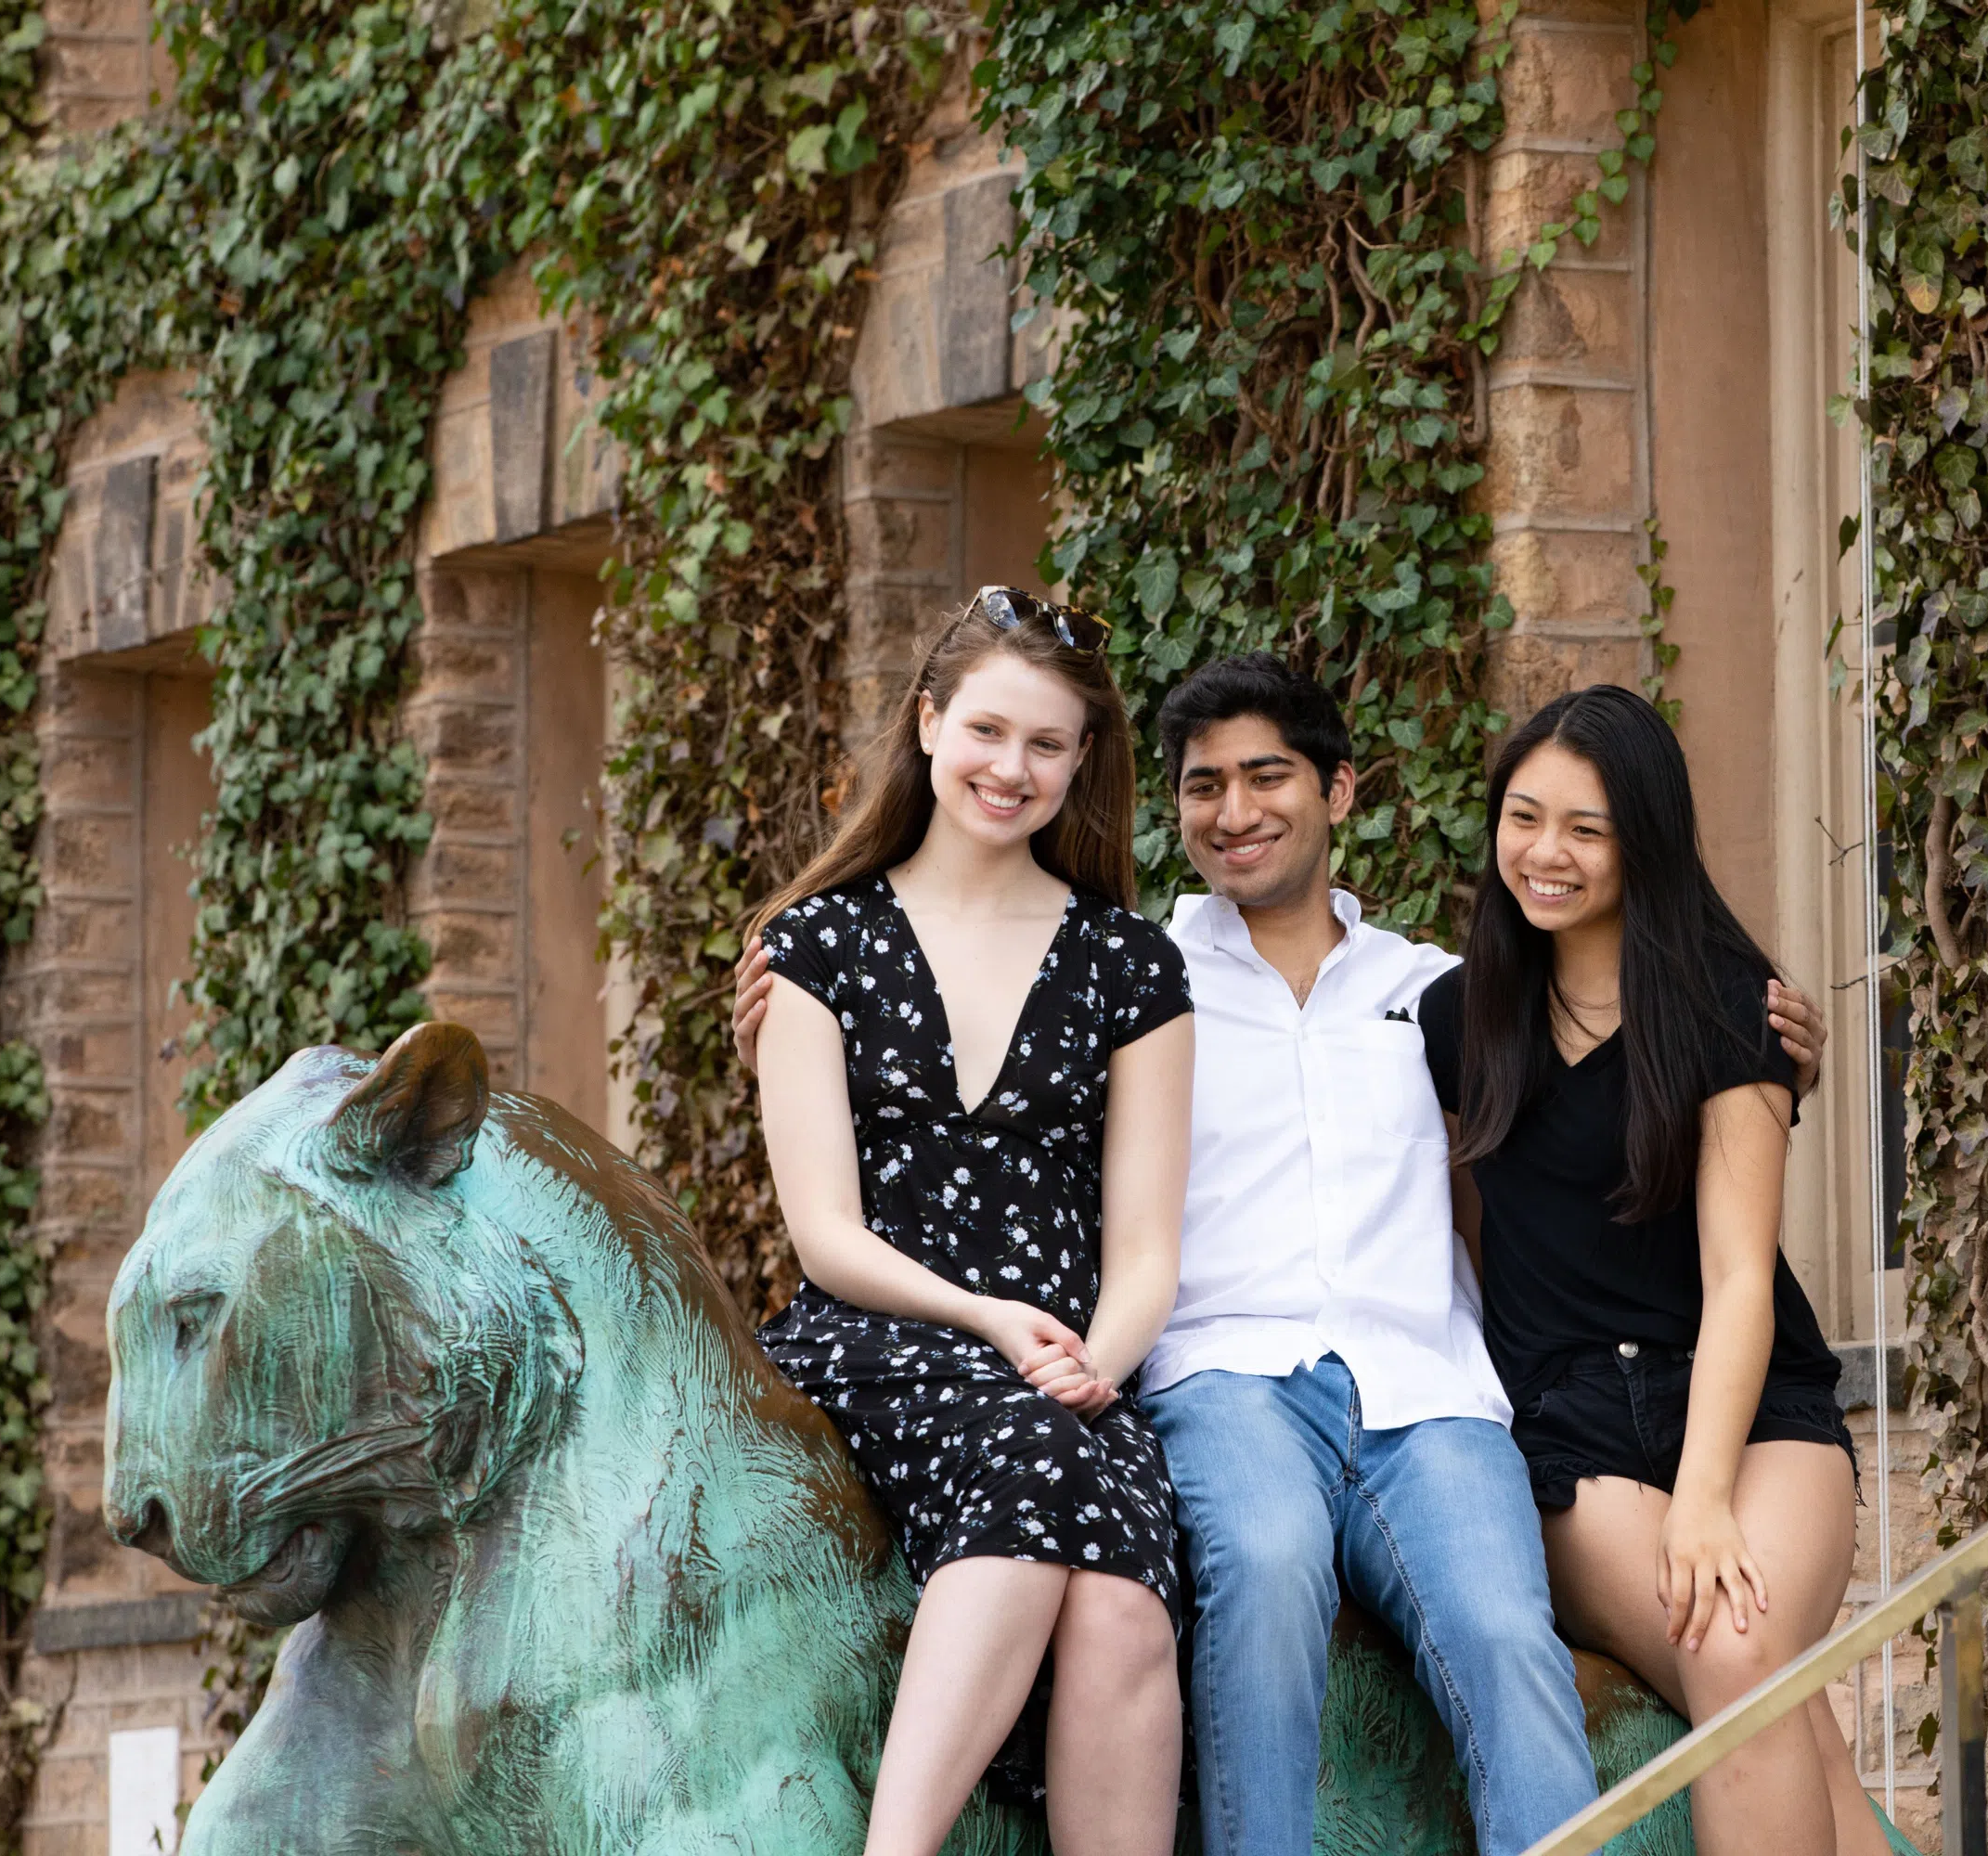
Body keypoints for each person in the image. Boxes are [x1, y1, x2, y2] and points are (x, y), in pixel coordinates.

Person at [737, 653, 1832, 1851]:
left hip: (1429, 1392)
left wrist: (1777, 1060)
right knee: (1262, 1574)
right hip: (1230, 1379)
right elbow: (980, 1045)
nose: (1236, 810)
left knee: (1507, 1635)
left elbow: (1609, 1102)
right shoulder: (1132, 980)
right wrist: (792, 998)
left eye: (1269, 777)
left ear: (1341, 792)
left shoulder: (1443, 997)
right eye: (1203, 786)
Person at [743, 586, 1194, 1856]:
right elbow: (825, 1231)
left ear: (1081, 762)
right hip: (883, 1339)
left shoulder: (1131, 966)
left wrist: (1091, 1366)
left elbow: (1148, 1248)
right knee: (1039, 1463)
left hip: (1069, 1367)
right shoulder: (815, 947)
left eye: (1048, 745)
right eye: (988, 732)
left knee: (1120, 1602)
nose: (1013, 768)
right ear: (930, 722)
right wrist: (993, 1321)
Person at [1416, 684, 1878, 1856]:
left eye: (1587, 827)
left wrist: (1709, 1495)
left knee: (1741, 1650)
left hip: (1751, 1402)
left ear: (1645, 839)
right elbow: (1467, 1235)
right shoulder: (1456, 1016)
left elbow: (1738, 1281)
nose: (1546, 853)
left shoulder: (1733, 1006)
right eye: (1525, 818)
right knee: (1752, 1667)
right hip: (1570, 1425)